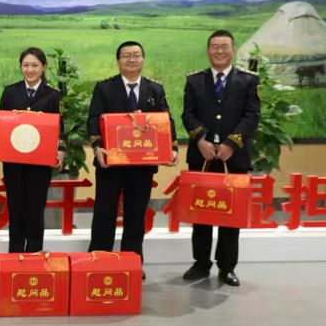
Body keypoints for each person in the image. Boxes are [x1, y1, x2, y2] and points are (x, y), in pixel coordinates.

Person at [87, 41, 178, 269]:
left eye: (136, 55)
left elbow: (166, 121)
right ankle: (99, 262)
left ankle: (132, 263)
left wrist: (172, 147)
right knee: (104, 213)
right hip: (110, 163)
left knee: (136, 215)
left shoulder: (155, 89)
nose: (132, 59)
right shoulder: (104, 88)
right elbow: (93, 119)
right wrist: (97, 146)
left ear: (143, 59)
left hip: (142, 166)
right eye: (126, 55)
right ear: (118, 61)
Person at [181, 30, 261, 287]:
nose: (219, 51)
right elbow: (188, 114)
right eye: (214, 47)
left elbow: (252, 116)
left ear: (233, 50)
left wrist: (231, 143)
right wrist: (201, 140)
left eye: (224, 47)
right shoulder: (194, 81)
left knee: (230, 215)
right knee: (201, 213)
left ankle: (227, 267)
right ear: (208, 51)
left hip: (234, 157)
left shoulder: (249, 81)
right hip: (202, 155)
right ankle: (201, 263)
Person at [0, 47, 65, 253]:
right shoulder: (10, 91)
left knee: (36, 207)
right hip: (14, 161)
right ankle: (15, 253)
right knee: (16, 206)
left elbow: (60, 127)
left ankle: (34, 252)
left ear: (43, 67)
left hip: (40, 162)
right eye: (25, 65)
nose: (30, 69)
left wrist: (61, 150)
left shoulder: (53, 95)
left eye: (35, 65)